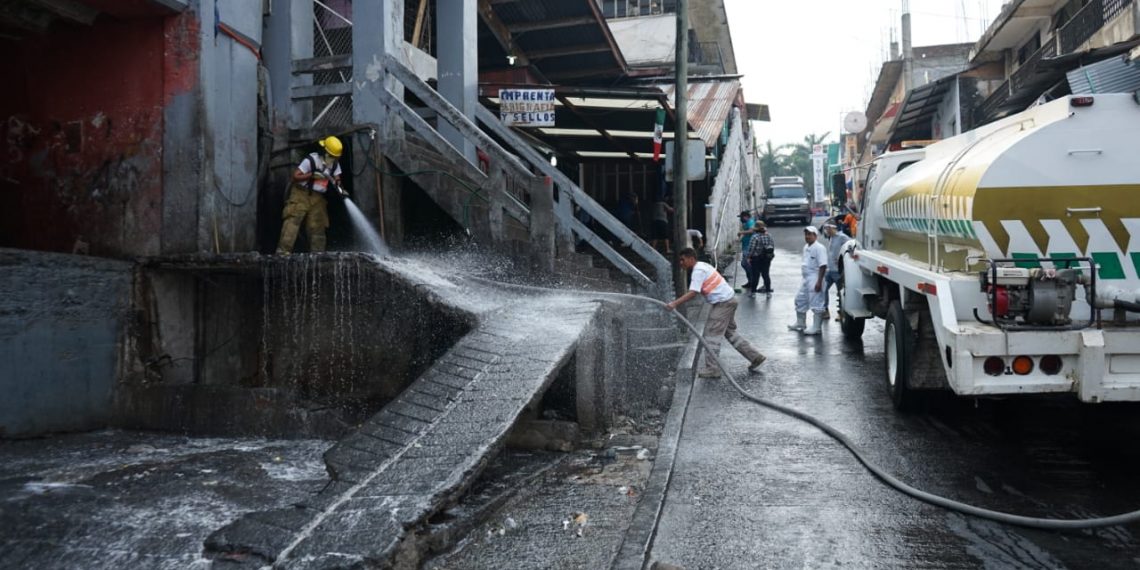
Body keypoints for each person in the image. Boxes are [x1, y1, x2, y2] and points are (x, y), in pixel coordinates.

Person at [666, 248, 767, 378]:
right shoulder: (703, 266)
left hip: (723, 303)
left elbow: (693, 292)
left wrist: (674, 303)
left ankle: (712, 369)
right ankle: (755, 357)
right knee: (730, 334)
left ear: (691, 259)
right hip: (729, 301)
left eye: (682, 259)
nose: (681, 263)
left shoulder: (698, 271)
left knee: (711, 335)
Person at [277, 136, 347, 254]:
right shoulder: (311, 160)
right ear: (324, 151)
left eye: (335, 157)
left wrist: (339, 187)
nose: (333, 159)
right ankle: (282, 253)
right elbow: (295, 176)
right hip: (301, 193)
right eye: (331, 156)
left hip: (318, 197)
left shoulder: (335, 164)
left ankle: (317, 257)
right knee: (293, 222)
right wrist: (311, 175)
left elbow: (337, 178)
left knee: (317, 226)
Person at [788, 226, 828, 335]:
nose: (807, 236)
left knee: (816, 302)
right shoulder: (806, 247)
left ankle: (817, 327)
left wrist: (819, 281)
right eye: (806, 234)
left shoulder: (819, 248)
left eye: (809, 234)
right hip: (806, 278)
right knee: (800, 299)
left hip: (815, 277)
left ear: (815, 235)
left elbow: (823, 265)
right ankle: (800, 323)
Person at [821, 222, 851, 320]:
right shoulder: (831, 237)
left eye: (828, 228)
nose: (826, 231)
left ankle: (841, 313)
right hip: (830, 269)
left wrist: (842, 258)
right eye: (826, 229)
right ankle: (825, 310)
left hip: (838, 271)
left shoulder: (842, 237)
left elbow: (852, 245)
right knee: (823, 289)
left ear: (834, 228)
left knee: (840, 292)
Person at [744, 221, 775, 296]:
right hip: (767, 259)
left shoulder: (755, 237)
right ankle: (768, 292)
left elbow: (751, 249)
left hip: (756, 259)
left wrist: (748, 257)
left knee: (755, 275)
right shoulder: (769, 236)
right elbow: (772, 246)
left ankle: (753, 292)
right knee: (766, 275)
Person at [737, 210, 757, 291]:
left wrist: (741, 232)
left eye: (741, 217)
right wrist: (740, 239)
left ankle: (752, 281)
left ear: (745, 216)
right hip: (745, 246)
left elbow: (752, 231)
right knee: (744, 264)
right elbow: (746, 234)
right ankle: (750, 281)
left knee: (746, 264)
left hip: (749, 247)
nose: (740, 219)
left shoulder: (750, 222)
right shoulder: (746, 223)